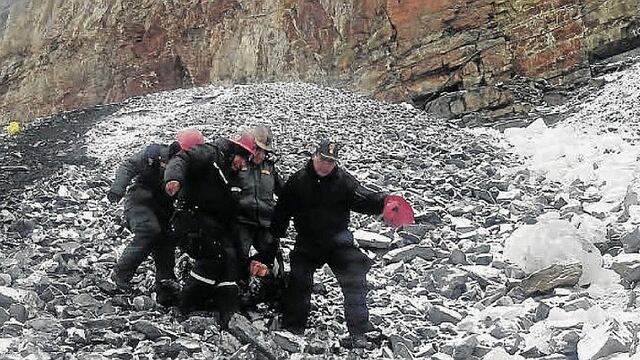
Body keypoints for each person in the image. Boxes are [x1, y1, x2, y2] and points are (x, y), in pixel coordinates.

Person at [270, 139, 411, 347]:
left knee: (355, 277)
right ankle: (293, 327)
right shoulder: (297, 181)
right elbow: (282, 212)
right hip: (307, 242)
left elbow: (363, 198)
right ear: (314, 155)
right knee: (299, 280)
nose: (326, 165)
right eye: (323, 159)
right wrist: (273, 237)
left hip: (338, 241)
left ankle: (360, 329)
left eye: (331, 162)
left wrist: (385, 201)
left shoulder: (344, 180)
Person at [164, 132, 256, 328]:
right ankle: (184, 306)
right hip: (190, 220)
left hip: (216, 226)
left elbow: (231, 215)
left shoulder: (234, 178)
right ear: (234, 151)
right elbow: (182, 158)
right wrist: (173, 178)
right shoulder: (209, 154)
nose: (243, 164)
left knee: (231, 259)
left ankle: (229, 313)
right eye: (243, 158)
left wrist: (239, 249)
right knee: (213, 257)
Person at [108, 128, 204, 307]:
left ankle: (165, 288)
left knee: (166, 240)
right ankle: (120, 275)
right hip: (139, 203)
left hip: (166, 212)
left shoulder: (195, 171)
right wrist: (117, 189)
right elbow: (129, 165)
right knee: (149, 230)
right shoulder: (154, 154)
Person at [231, 125, 285, 306]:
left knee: (273, 256)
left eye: (264, 151)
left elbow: (283, 193)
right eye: (258, 149)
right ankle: (238, 291)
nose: (260, 154)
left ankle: (275, 291)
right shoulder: (238, 164)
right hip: (242, 221)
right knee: (240, 255)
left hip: (265, 221)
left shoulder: (270, 168)